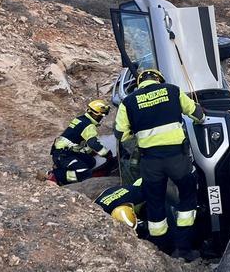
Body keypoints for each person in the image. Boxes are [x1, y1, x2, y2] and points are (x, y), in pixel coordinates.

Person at [115, 68, 205, 262]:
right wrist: (203, 119)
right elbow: (196, 112)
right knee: (187, 200)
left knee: (155, 203)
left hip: (150, 162)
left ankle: (162, 252)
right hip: (177, 159)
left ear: (139, 83)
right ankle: (185, 250)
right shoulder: (172, 90)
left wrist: (139, 133)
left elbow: (121, 135)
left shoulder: (128, 102)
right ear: (159, 80)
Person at [50, 99, 112, 185]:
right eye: (101, 116)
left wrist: (90, 152)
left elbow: (79, 141)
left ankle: (63, 167)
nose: (101, 118)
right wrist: (107, 154)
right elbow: (94, 144)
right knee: (84, 173)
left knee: (91, 162)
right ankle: (56, 176)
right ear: (96, 115)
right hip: (63, 155)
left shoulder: (81, 119)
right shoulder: (89, 126)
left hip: (65, 151)